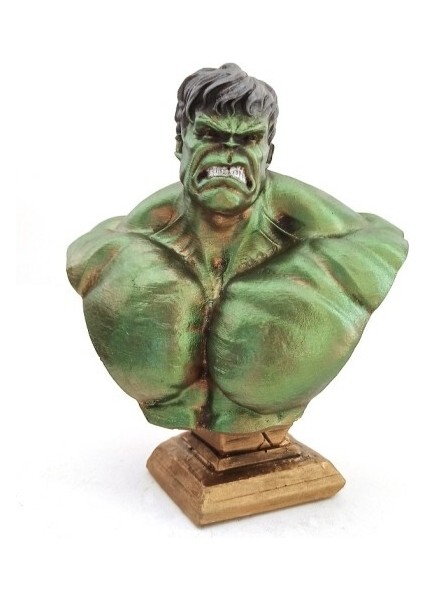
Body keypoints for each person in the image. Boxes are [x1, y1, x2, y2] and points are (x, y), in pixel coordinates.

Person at [67, 63, 408, 433]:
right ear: (181, 144)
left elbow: (380, 242)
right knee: (140, 273)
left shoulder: (312, 222)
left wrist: (306, 285)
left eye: (248, 140)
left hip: (270, 399)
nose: (228, 153)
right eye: (210, 135)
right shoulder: (139, 236)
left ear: (268, 153)